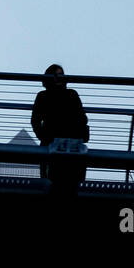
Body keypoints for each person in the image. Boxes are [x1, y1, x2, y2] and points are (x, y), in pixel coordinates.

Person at [31, 63, 90, 196]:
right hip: (64, 145)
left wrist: (44, 137)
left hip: (59, 144)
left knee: (55, 185)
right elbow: (83, 118)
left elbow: (35, 121)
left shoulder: (45, 96)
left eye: (61, 74)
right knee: (66, 185)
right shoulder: (70, 94)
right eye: (58, 75)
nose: (61, 77)